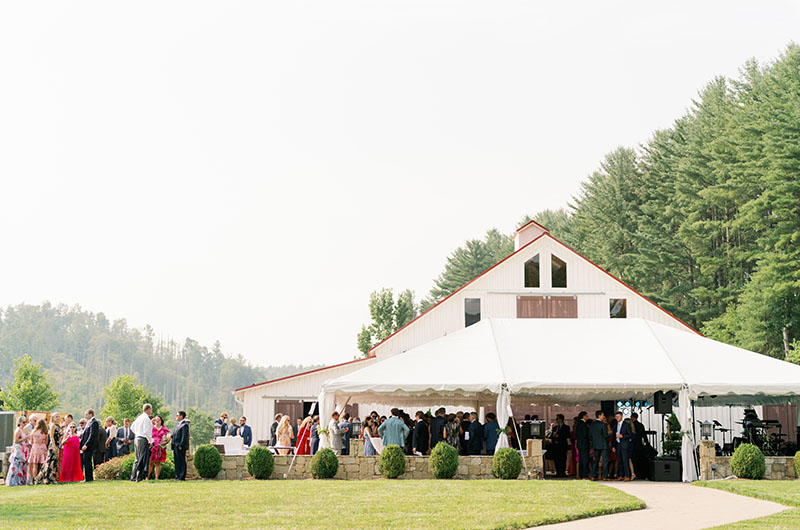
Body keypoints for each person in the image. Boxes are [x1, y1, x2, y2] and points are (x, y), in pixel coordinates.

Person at [5, 415, 31, 487]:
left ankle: (20, 481)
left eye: (26, 422)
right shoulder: (18, 430)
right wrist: (26, 437)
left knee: (21, 465)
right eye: (24, 422)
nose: (25, 424)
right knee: (16, 465)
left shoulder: (22, 430)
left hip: (23, 449)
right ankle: (13, 481)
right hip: (18, 449)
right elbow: (16, 441)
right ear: (20, 422)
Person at [131, 403, 153, 482]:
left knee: (137, 458)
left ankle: (133, 476)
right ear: (148, 410)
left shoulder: (139, 418)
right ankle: (139, 477)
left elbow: (132, 427)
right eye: (151, 409)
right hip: (143, 438)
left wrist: (137, 433)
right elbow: (146, 431)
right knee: (142, 458)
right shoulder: (146, 418)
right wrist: (150, 440)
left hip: (137, 438)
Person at [38, 412, 62, 485]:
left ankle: (52, 478)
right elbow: (51, 437)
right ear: (53, 418)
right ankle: (47, 478)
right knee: (50, 462)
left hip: (58, 445)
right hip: (53, 445)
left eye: (58, 416)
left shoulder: (58, 426)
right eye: (56, 417)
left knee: (54, 462)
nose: (58, 418)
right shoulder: (53, 426)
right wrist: (54, 446)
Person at [148, 415, 170, 480]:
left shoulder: (163, 428)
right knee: (150, 462)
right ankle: (147, 477)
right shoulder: (151, 428)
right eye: (156, 420)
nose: (157, 421)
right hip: (152, 447)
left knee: (157, 463)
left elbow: (168, 435)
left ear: (161, 421)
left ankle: (156, 477)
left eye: (159, 420)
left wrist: (167, 441)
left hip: (160, 448)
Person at [80, 408, 99, 482]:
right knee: (86, 461)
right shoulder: (89, 422)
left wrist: (86, 445)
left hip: (89, 446)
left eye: (86, 414)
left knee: (87, 461)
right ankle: (88, 477)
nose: (85, 416)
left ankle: (89, 478)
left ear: (91, 414)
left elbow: (92, 435)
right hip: (85, 445)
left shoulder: (94, 422)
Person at [589, 410, 610, 481]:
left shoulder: (592, 424)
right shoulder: (603, 425)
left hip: (595, 444)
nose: (603, 416)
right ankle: (605, 476)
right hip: (603, 444)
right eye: (603, 415)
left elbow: (590, 436)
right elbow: (605, 435)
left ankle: (594, 476)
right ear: (599, 416)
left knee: (596, 461)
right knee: (605, 461)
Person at [614, 411, 634, 481]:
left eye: (618, 416)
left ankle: (627, 475)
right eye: (616, 417)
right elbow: (614, 436)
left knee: (625, 460)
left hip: (624, 444)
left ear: (622, 416)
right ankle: (621, 475)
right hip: (618, 444)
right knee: (619, 460)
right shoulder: (615, 425)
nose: (617, 418)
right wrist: (614, 446)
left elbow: (629, 435)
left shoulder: (626, 425)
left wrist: (622, 436)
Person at [28, 418, 49, 483]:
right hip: (42, 447)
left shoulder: (33, 431)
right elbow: (46, 442)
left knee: (35, 464)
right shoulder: (45, 432)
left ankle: (34, 479)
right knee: (42, 465)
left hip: (35, 447)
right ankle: (40, 479)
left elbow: (31, 441)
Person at [172, 410, 190, 481]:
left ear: (181, 416)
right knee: (177, 461)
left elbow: (184, 436)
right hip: (175, 446)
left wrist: (180, 445)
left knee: (181, 461)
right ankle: (177, 476)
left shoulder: (185, 425)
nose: (176, 417)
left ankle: (181, 476)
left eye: (177, 415)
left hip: (180, 446)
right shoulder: (178, 425)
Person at [575, 411, 590, 479]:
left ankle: (581, 474)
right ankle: (584, 475)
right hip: (584, 444)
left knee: (581, 459)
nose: (587, 417)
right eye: (586, 415)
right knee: (585, 459)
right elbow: (585, 434)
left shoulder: (578, 424)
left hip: (579, 444)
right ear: (583, 416)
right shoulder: (583, 424)